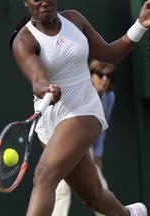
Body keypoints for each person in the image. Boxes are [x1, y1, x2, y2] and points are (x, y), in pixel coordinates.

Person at [10, 0, 150, 215]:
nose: (43, 1)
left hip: (83, 110)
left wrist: (140, 25)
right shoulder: (23, 40)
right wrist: (45, 88)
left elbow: (109, 53)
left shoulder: (74, 19)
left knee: (44, 176)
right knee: (93, 195)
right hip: (49, 123)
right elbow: (37, 80)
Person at [52, 60, 116, 216]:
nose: (105, 79)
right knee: (61, 188)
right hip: (64, 140)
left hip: (86, 144)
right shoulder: (81, 93)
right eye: (100, 75)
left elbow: (102, 127)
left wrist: (98, 154)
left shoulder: (109, 97)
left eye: (109, 76)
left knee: (99, 187)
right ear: (91, 75)